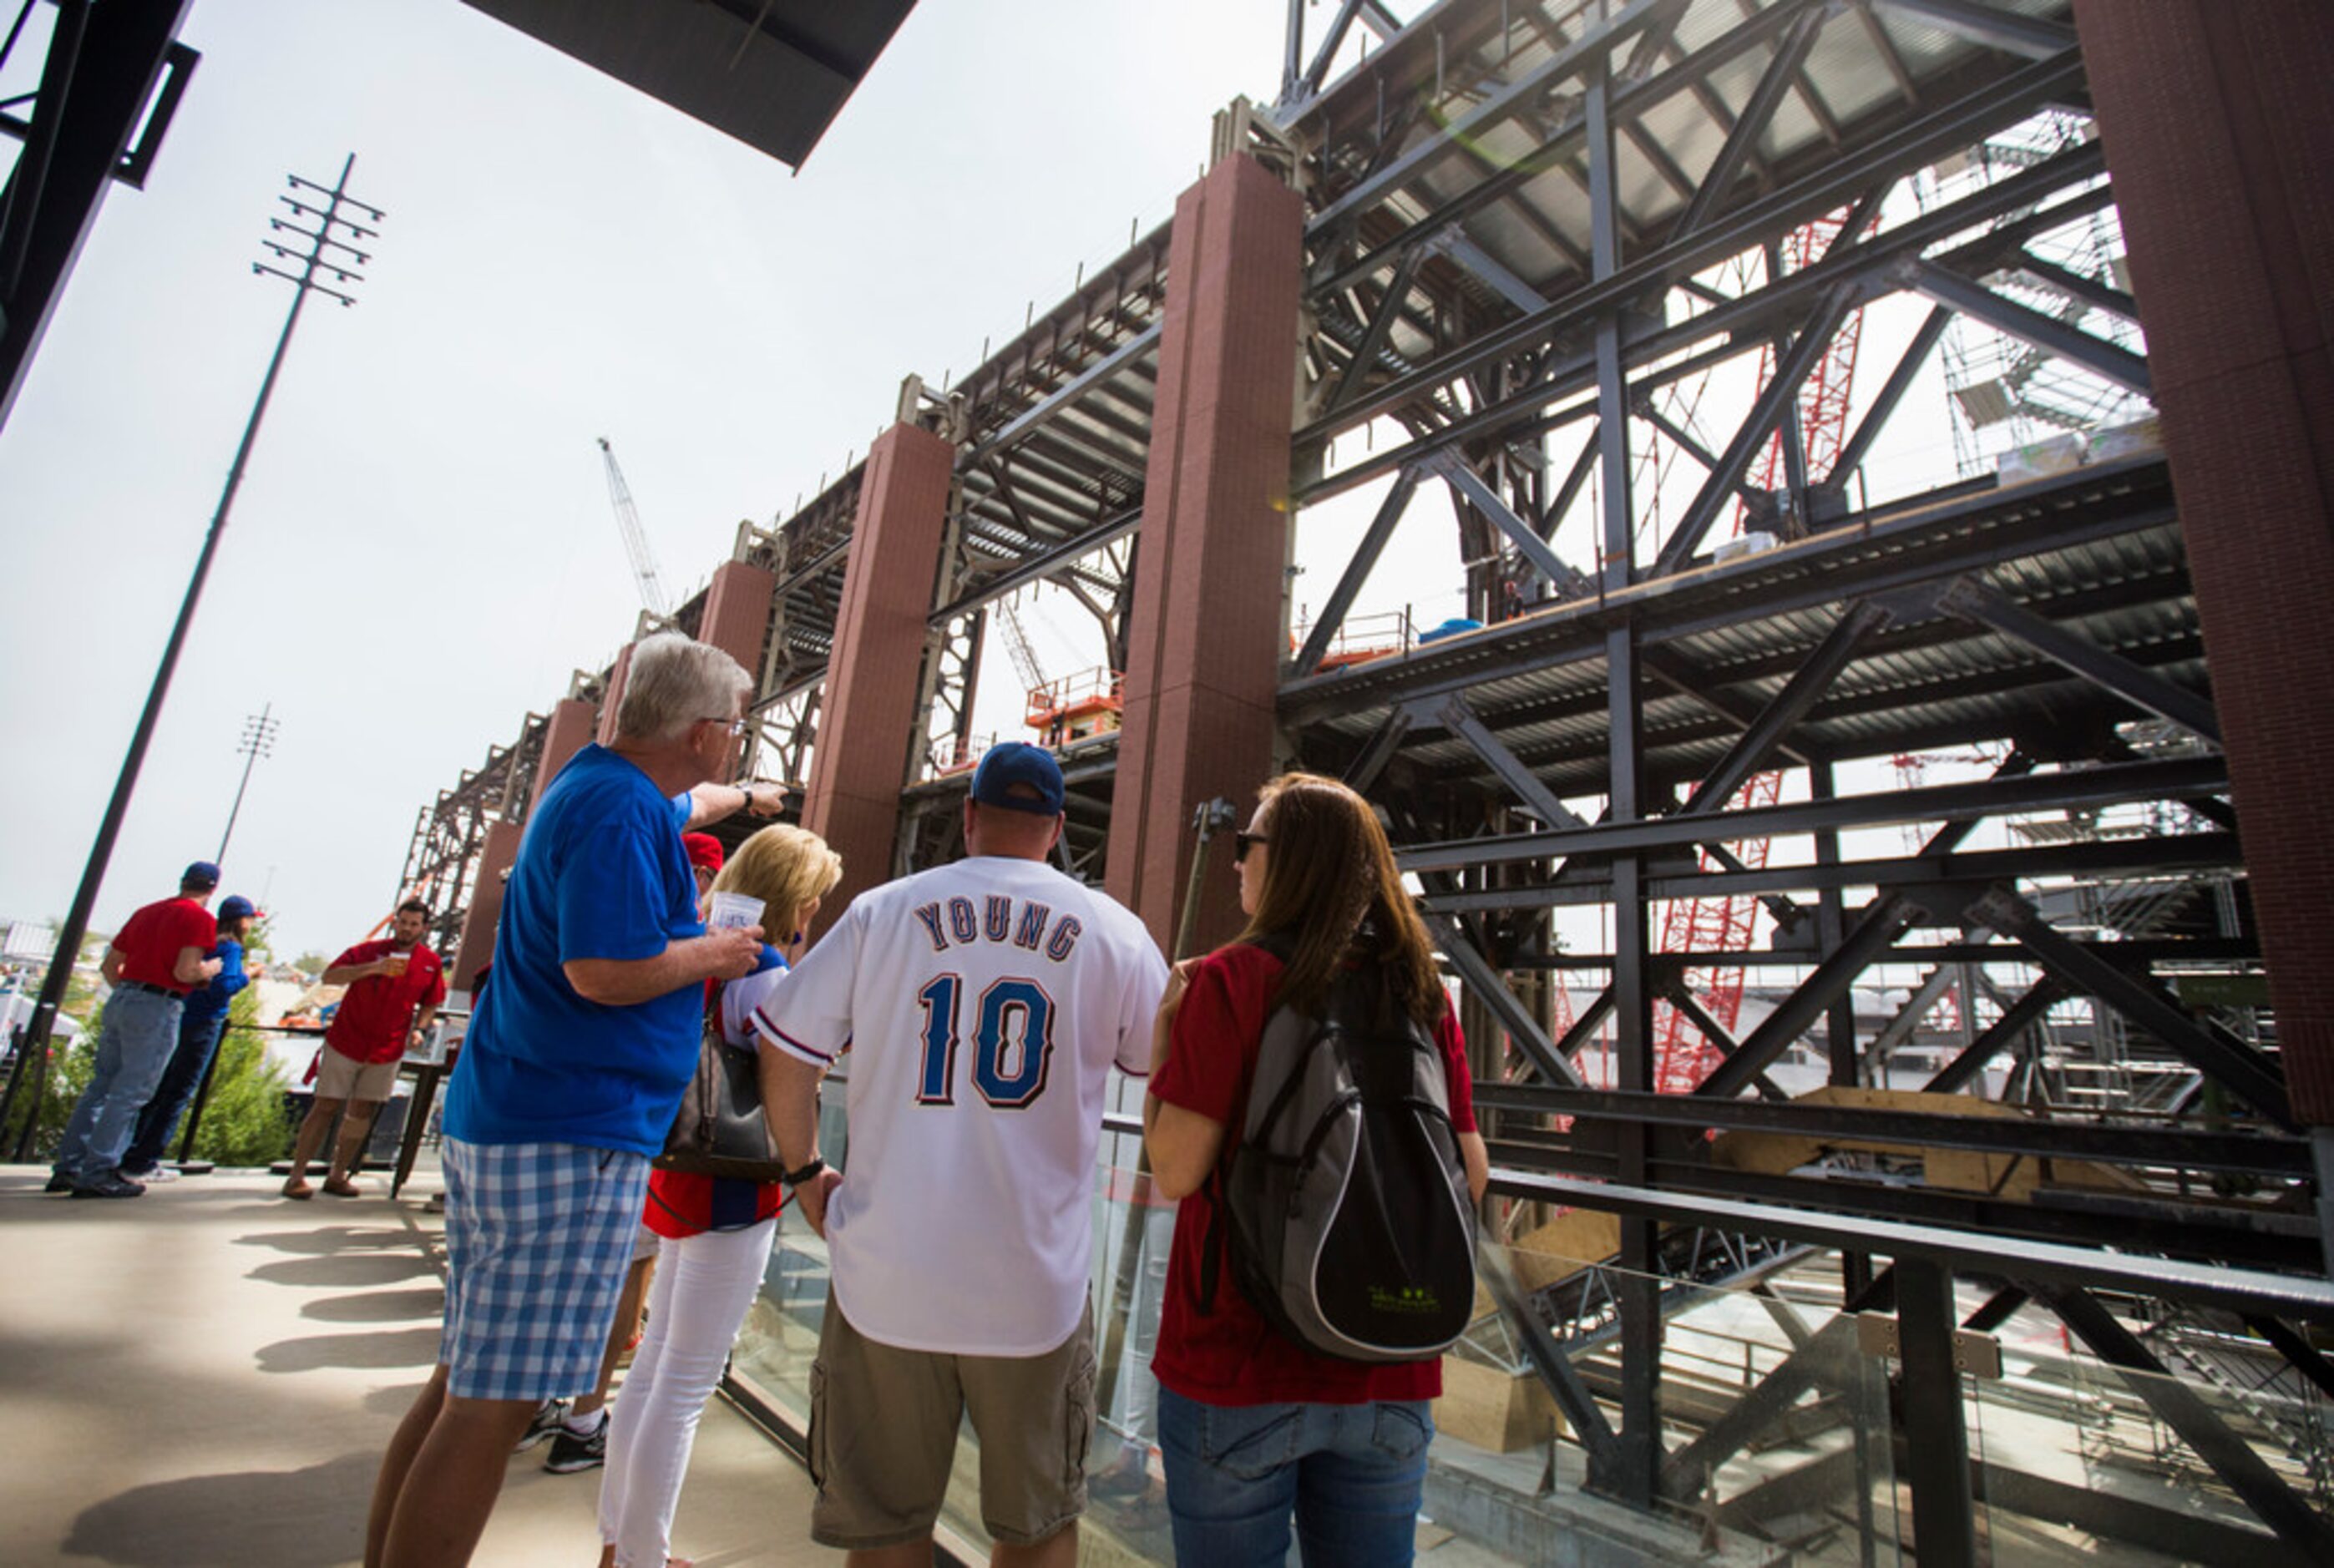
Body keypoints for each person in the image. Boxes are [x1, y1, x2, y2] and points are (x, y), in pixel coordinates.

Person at [364, 631, 771, 1568]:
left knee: (461, 1383)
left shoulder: (601, 788)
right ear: (704, 731)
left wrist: (744, 799)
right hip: (567, 1136)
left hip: (517, 1114)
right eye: (736, 730)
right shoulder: (620, 817)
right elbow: (602, 971)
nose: (739, 742)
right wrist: (719, 952)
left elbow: (690, 800)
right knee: (491, 1408)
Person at [756, 741, 1167, 1568]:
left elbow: (785, 1046)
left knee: (883, 1527)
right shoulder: (1115, 931)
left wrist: (804, 1175)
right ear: (1055, 828)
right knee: (1037, 1525)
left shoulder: (884, 910)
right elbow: (1163, 1066)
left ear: (968, 816)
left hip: (885, 1275)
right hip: (1033, 1286)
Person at [1142, 772, 1491, 1568]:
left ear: (1288, 861)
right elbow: (1468, 1174)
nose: (1236, 865)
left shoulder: (1228, 979)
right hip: (1390, 1369)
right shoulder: (1421, 992)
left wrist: (1167, 1040)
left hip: (1237, 1365)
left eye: (1247, 846)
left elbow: (1174, 1169)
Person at [596, 822, 842, 1568]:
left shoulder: (702, 948)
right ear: (796, 897)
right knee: (686, 1381)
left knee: (655, 1366)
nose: (815, 915)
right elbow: (790, 1072)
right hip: (732, 1189)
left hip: (677, 1171)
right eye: (815, 899)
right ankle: (642, 1555)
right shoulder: (763, 969)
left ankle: (621, 1540)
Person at [45, 862, 224, 1199]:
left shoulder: (147, 912)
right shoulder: (199, 919)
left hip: (123, 996)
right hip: (158, 1004)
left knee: (100, 1086)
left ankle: (68, 1166)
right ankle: (99, 1171)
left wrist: (129, 991)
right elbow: (185, 971)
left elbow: (110, 964)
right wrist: (210, 968)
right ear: (212, 888)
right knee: (132, 1092)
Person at [283, 899, 448, 1200]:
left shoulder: (430, 963)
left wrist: (420, 1030)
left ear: (423, 929)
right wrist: (372, 969)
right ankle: (297, 1175)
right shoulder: (367, 952)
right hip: (346, 1040)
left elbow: (432, 1001)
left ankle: (338, 1174)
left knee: (361, 1111)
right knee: (326, 1105)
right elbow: (330, 976)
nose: (407, 929)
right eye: (403, 922)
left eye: (414, 924)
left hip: (387, 1047)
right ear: (395, 922)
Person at [119, 893, 260, 1180]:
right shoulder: (230, 949)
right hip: (204, 1022)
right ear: (242, 921)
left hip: (178, 1015)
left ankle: (128, 1150)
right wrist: (249, 975)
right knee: (178, 1092)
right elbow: (225, 985)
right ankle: (144, 1159)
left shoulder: (206, 941)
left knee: (155, 1088)